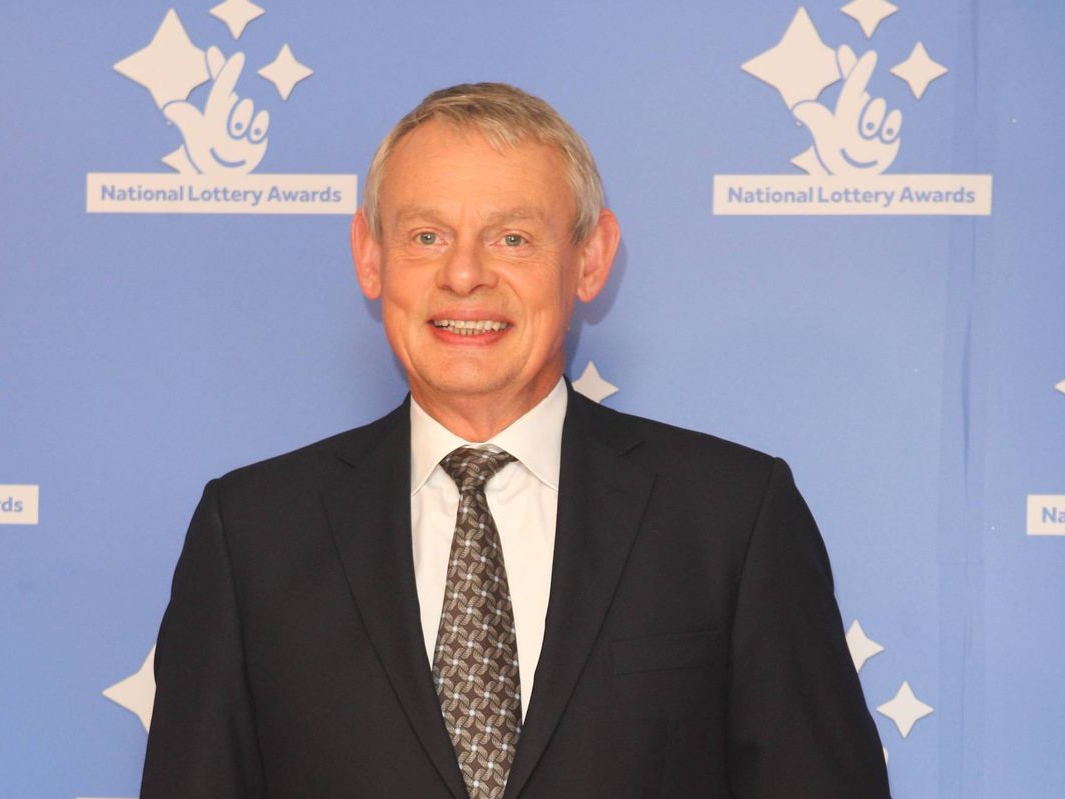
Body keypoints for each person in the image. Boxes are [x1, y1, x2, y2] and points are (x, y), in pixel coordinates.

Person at [140, 82, 890, 799]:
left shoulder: (732, 518)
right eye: (427, 235)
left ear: (591, 258)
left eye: (513, 237)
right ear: (371, 257)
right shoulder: (250, 535)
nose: (465, 274)